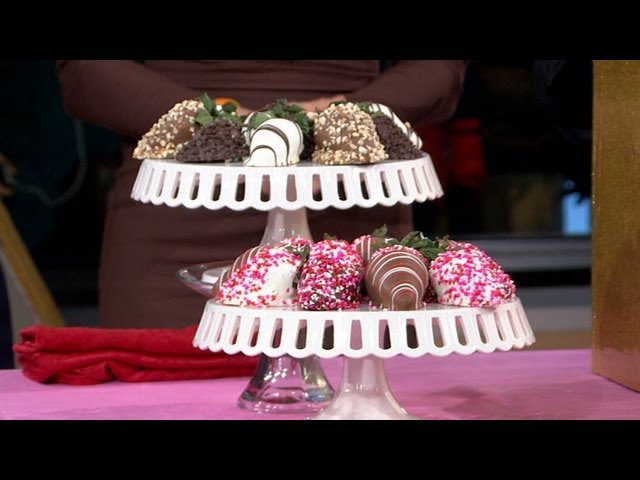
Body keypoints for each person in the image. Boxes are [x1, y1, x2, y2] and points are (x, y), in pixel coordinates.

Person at [57, 60, 466, 329]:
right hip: (180, 200)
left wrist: (338, 121)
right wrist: (230, 126)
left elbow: (440, 68)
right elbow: (85, 70)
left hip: (346, 192)